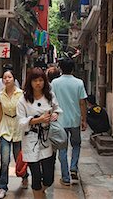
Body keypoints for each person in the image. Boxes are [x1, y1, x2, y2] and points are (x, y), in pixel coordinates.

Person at [17, 68, 62, 199]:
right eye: (35, 80)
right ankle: (38, 195)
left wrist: (54, 114)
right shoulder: (23, 100)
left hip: (46, 140)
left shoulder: (50, 96)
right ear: (30, 82)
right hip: (30, 141)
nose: (38, 83)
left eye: (41, 80)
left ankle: (41, 193)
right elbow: (20, 122)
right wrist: (38, 120)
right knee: (36, 176)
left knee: (48, 178)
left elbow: (57, 109)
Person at [50, 58, 87, 186]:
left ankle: (65, 177)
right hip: (75, 120)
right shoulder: (79, 83)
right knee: (76, 145)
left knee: (62, 149)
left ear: (60, 68)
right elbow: (82, 103)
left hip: (60, 121)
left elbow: (51, 101)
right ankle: (73, 167)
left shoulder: (55, 83)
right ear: (73, 68)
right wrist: (84, 119)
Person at [0, 69, 29, 199]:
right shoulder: (0, 95)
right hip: (5, 128)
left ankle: (25, 176)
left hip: (18, 128)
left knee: (18, 158)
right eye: (5, 77)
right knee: (4, 160)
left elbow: (26, 111)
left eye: (9, 77)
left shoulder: (21, 94)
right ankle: (2, 187)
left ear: (14, 79)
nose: (7, 79)